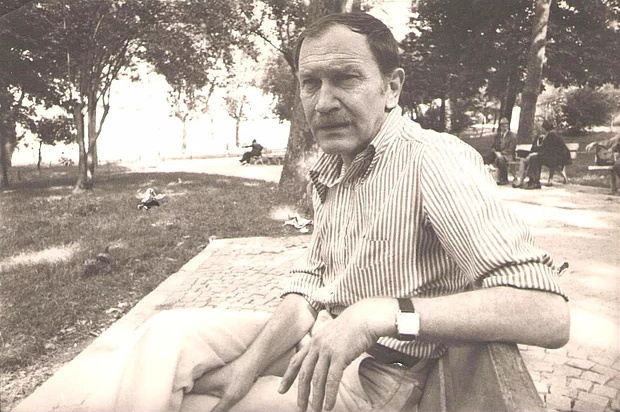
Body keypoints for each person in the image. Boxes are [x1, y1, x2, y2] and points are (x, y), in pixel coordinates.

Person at [89, 13, 569, 412]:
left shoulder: (432, 160)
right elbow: (310, 291)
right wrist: (247, 368)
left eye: (345, 79)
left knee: (185, 403)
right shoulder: (334, 165)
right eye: (310, 83)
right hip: (320, 345)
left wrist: (379, 315)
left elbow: (546, 314)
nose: (323, 103)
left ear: (392, 87)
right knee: (163, 337)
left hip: (379, 378)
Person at [513, 120, 571, 190]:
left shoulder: (552, 134)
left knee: (535, 158)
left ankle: (535, 182)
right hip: (553, 156)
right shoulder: (547, 135)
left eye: (542, 128)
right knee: (534, 157)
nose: (540, 130)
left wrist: (535, 153)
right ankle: (531, 180)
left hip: (559, 158)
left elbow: (550, 150)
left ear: (544, 128)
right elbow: (541, 149)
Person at [483, 117, 516, 185]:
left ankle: (504, 179)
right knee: (485, 156)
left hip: (508, 155)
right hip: (497, 154)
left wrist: (501, 153)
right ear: (500, 127)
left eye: (506, 126)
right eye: (502, 126)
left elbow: (511, 149)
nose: (504, 128)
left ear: (508, 126)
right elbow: (493, 147)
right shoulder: (497, 136)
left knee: (500, 159)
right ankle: (485, 176)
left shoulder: (512, 136)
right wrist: (495, 152)